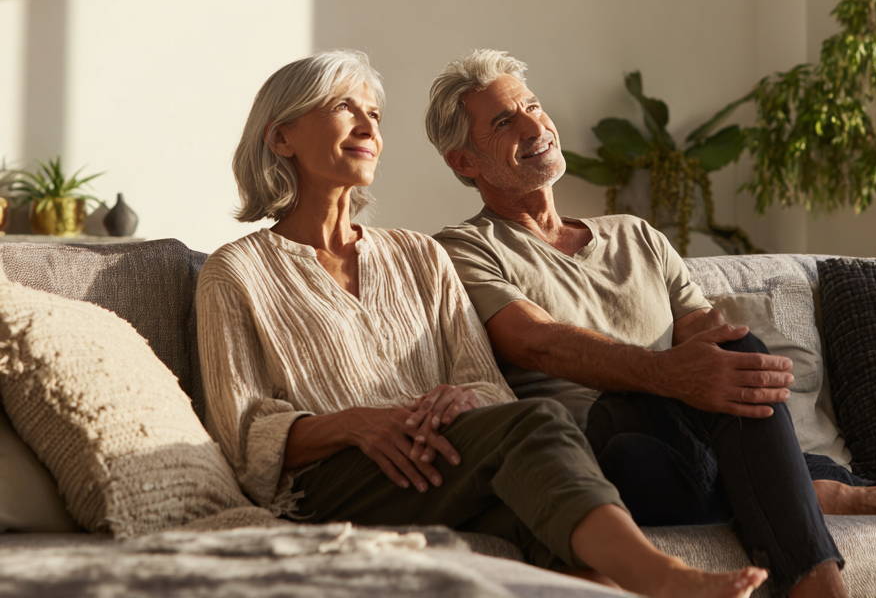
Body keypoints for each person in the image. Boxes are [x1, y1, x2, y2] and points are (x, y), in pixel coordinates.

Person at [196, 49, 767, 598]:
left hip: (438, 459)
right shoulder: (236, 272)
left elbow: (485, 381)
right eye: (344, 106)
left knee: (551, 521)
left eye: (374, 113)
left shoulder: (419, 254)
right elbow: (244, 435)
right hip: (330, 482)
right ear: (280, 137)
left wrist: (462, 401)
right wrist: (356, 424)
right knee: (538, 422)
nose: (367, 123)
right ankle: (662, 577)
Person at [425, 50, 876, 598]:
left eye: (533, 106)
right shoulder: (464, 247)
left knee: (738, 346)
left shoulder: (636, 235)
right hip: (599, 455)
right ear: (463, 162)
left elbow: (705, 334)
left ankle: (817, 579)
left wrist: (711, 362)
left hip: (688, 446)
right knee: (629, 416)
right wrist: (667, 373)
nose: (534, 125)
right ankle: (824, 490)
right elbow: (535, 341)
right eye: (503, 122)